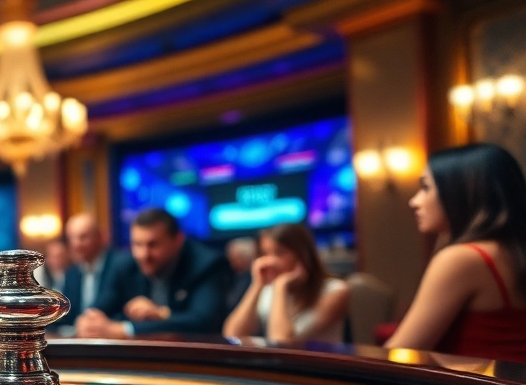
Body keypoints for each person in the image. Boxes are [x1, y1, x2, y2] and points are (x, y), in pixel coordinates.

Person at [385, 144, 526, 362]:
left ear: (462, 190)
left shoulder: (463, 258)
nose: (414, 201)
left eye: (425, 187)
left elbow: (399, 354)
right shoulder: (509, 251)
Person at [77, 208, 231, 339]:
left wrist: (127, 328)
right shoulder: (126, 266)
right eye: (137, 244)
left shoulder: (206, 264)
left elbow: (203, 321)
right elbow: (99, 309)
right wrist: (88, 321)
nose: (143, 254)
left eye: (153, 245)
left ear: (177, 240)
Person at [222, 223, 350, 344]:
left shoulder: (335, 291)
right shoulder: (268, 289)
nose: (268, 262)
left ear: (302, 255)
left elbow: (282, 343)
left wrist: (280, 286)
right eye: (264, 253)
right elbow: (232, 335)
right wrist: (257, 285)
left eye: (279, 253)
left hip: (318, 366)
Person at [62, 213, 116, 316]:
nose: (76, 244)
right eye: (71, 238)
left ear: (100, 236)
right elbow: (66, 315)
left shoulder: (121, 266)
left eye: (83, 237)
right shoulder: (71, 274)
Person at [224, 236, 258, 311]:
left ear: (246, 257)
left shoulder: (256, 278)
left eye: (234, 259)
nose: (231, 264)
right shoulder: (236, 276)